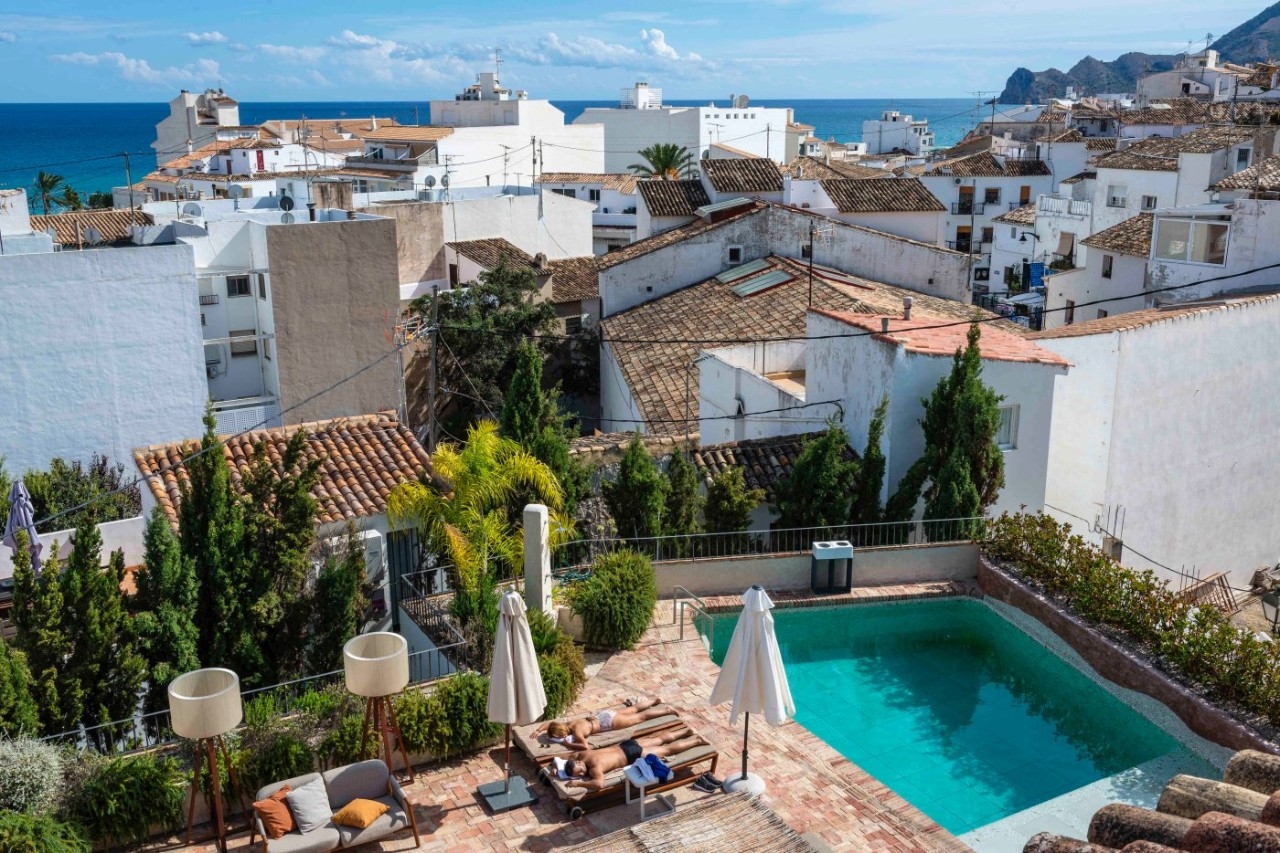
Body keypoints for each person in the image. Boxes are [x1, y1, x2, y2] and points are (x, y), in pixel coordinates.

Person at [554, 726, 707, 791]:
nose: (581, 774)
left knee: (666, 750)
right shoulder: (581, 755)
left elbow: (599, 784)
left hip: (632, 754)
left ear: (579, 763)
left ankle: (697, 741)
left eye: (579, 771)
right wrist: (555, 765)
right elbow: (561, 757)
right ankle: (686, 731)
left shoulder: (595, 768)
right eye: (578, 774)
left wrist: (578, 783)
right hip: (626, 745)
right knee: (659, 739)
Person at [534, 697, 668, 750]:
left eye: (557, 736)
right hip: (602, 715)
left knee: (640, 717)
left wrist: (567, 743)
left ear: (561, 733)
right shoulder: (568, 723)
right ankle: (654, 700)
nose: (558, 738)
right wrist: (539, 730)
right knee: (633, 709)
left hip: (608, 722)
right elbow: (550, 724)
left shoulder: (577, 731)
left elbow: (585, 746)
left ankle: (666, 711)